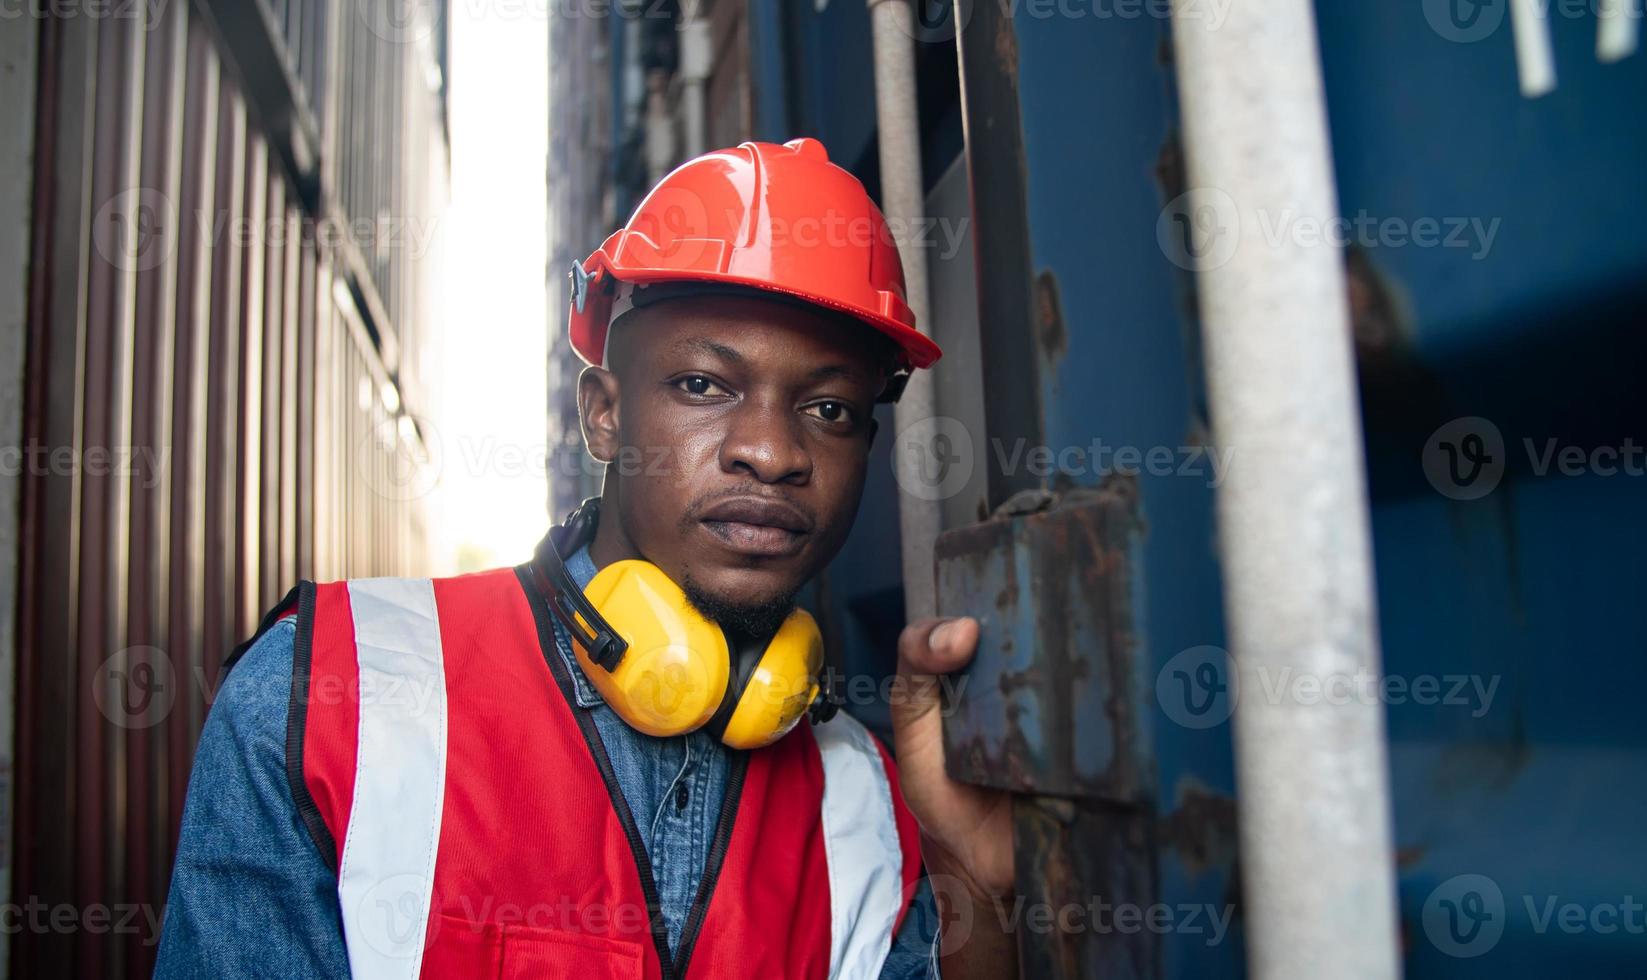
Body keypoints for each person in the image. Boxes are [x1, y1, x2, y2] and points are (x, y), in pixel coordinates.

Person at [156, 138, 1015, 979]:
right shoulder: (327, 699)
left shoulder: (870, 797)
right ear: (603, 414)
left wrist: (972, 878)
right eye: (703, 386)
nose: (770, 450)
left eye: (827, 408)